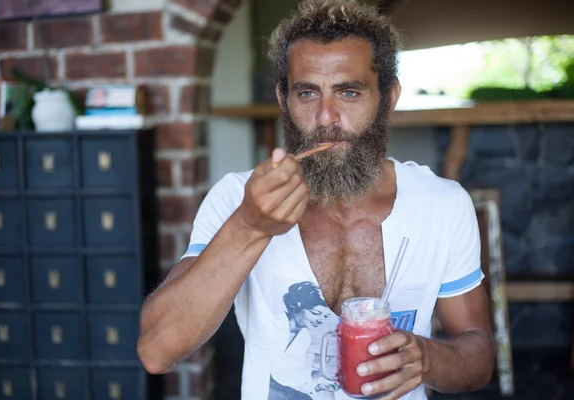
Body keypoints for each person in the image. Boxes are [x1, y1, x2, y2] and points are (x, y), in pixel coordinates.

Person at [136, 0, 496, 399]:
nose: (326, 117)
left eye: (348, 92)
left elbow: (477, 355)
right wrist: (249, 227)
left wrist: (427, 358)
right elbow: (157, 350)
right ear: (283, 99)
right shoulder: (236, 200)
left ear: (388, 96)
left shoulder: (442, 206)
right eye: (307, 93)